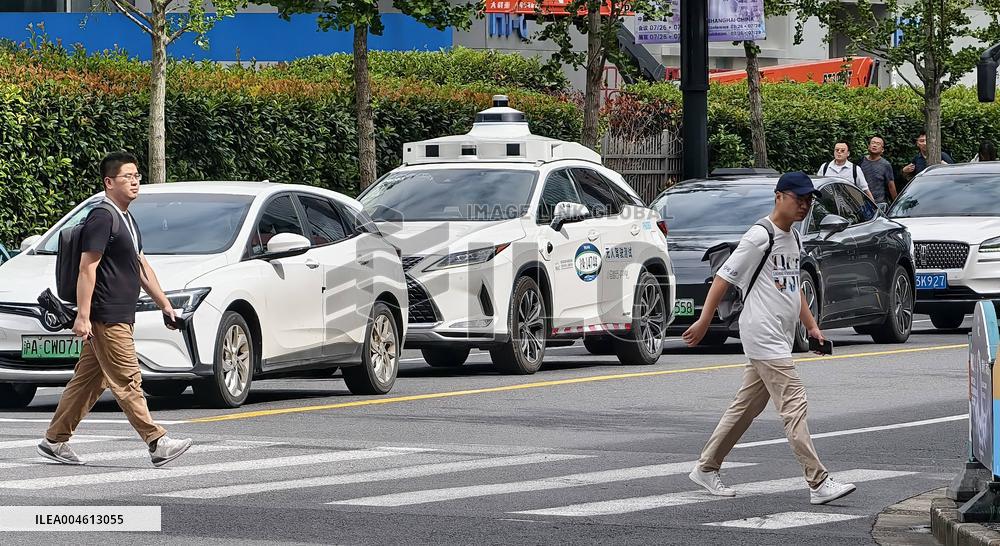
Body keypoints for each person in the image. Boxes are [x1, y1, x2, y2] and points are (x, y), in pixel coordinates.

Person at [682, 171, 856, 506]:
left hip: (779, 333)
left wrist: (812, 327)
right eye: (798, 199)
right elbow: (723, 278)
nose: (804, 206)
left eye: (808, 201)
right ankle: (817, 481)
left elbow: (795, 289)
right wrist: (704, 321)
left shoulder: (794, 238)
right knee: (795, 403)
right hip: (762, 332)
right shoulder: (759, 236)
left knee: (746, 407)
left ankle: (706, 467)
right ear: (780, 197)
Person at [38, 151, 193, 468]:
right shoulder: (102, 216)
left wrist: (165, 304)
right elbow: (87, 268)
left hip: (121, 313)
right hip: (107, 316)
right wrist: (82, 316)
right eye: (128, 176)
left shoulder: (127, 218)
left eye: (137, 175)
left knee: (88, 382)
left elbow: (139, 265)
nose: (135, 181)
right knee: (128, 380)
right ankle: (157, 442)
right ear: (109, 182)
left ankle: (54, 440)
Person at [858, 136, 897, 204]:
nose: (874, 145)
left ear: (882, 150)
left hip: (879, 204)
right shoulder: (861, 161)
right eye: (873, 143)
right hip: (862, 202)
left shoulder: (886, 165)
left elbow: (891, 186)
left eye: (878, 144)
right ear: (868, 146)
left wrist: (896, 204)